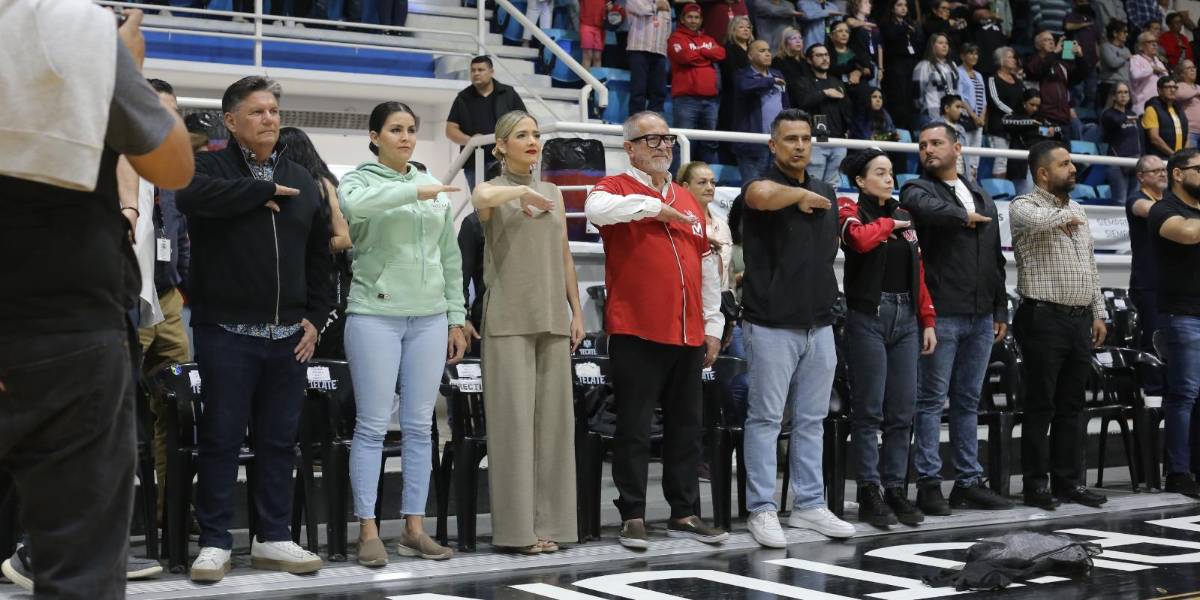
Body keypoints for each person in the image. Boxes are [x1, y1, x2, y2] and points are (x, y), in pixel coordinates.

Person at [0, 5, 191, 596]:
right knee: (79, 566)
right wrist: (128, 68)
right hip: (67, 315)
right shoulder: (80, 31)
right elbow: (174, 164)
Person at [175, 75, 331, 582]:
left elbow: (320, 256)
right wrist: (256, 190)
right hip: (226, 330)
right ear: (231, 120)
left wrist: (316, 317)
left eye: (274, 111)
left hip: (289, 336)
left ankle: (274, 537)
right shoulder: (207, 167)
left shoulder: (302, 179)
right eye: (258, 111)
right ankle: (215, 542)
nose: (270, 118)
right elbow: (190, 197)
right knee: (220, 437)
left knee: (278, 441)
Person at [583, 111, 728, 550]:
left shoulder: (686, 195)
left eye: (667, 139)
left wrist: (713, 325)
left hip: (687, 333)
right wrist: (652, 207)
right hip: (637, 330)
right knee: (634, 427)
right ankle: (632, 515)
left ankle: (684, 512)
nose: (663, 146)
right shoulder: (614, 188)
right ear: (629, 148)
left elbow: (705, 262)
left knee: (687, 427)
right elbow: (595, 212)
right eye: (651, 140)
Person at [337, 102, 467, 565]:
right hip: (375, 313)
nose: (406, 137)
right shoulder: (359, 181)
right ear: (375, 136)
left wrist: (456, 315)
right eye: (395, 130)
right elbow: (353, 208)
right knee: (371, 426)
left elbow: (449, 257)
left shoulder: (430, 186)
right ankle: (368, 528)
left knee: (420, 427)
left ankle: (415, 526)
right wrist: (415, 190)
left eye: (412, 129)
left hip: (430, 317)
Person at [740, 109, 857, 548]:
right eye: (790, 138)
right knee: (766, 418)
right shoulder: (761, 185)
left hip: (820, 324)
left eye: (806, 138)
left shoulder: (826, 189)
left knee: (813, 420)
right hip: (770, 323)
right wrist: (796, 197)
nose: (800, 146)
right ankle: (762, 509)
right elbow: (762, 197)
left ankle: (809, 505)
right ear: (774, 145)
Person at [470, 111, 584, 553]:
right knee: (512, 428)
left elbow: (565, 257)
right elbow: (481, 194)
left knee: (555, 429)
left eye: (536, 134)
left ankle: (551, 524)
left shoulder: (553, 190)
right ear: (501, 146)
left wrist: (575, 311)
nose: (533, 141)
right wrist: (520, 192)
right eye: (522, 135)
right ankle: (517, 532)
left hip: (552, 317)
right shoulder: (495, 191)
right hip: (508, 320)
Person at [900, 123, 1014, 517]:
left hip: (982, 315)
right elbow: (928, 210)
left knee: (968, 400)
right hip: (941, 313)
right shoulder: (918, 188)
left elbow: (997, 259)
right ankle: (929, 483)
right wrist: (963, 216)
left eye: (936, 143)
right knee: (930, 401)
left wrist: (1000, 308)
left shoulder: (981, 192)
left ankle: (968, 481)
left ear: (958, 147)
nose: (928, 149)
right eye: (923, 144)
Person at [836, 149, 937, 529]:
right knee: (870, 411)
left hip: (907, 316)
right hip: (869, 316)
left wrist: (927, 318)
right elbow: (858, 241)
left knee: (901, 412)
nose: (889, 178)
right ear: (861, 181)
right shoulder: (850, 208)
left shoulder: (904, 215)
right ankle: (869, 491)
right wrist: (889, 226)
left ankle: (896, 488)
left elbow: (920, 270)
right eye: (880, 173)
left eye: (891, 172)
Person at [1008, 140, 1109, 511]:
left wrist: (1098, 311)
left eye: (1073, 162)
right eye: (1065, 164)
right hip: (1041, 317)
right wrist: (1066, 216)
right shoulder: (1023, 205)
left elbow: (1091, 269)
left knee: (1072, 406)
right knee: (1040, 406)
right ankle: (1036, 485)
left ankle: (1069, 482)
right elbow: (1037, 221)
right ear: (1043, 173)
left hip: (1078, 319)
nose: (1073, 169)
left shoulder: (1078, 209)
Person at [136, 78, 193, 528]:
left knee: (177, 406)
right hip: (127, 302)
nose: (166, 120)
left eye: (173, 112)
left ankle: (170, 513)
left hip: (168, 299)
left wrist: (181, 283)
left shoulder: (173, 174)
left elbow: (180, 235)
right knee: (110, 410)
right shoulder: (116, 163)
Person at [1148, 148, 1200, 496]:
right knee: (1183, 395)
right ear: (1178, 174)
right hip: (1181, 315)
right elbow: (1185, 233)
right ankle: (1178, 472)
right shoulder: (1163, 208)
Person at [277, 126, 353, 359]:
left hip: (328, 280)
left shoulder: (324, 184)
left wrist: (310, 248)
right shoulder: (281, 184)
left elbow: (346, 238)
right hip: (295, 280)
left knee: (325, 349)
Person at [445, 56, 528, 191]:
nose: (476, 73)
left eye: (481, 70)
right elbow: (450, 129)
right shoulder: (463, 98)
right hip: (475, 162)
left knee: (508, 201)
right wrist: (470, 140)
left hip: (506, 158)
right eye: (473, 70)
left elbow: (524, 121)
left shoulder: (508, 93)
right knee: (481, 204)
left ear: (491, 72)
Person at [669, 3, 727, 164]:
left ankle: (706, 180)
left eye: (697, 17)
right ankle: (678, 182)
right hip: (686, 99)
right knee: (684, 142)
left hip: (711, 100)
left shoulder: (707, 39)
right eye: (690, 17)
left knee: (710, 143)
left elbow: (721, 53)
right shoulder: (676, 37)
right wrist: (707, 54)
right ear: (682, 19)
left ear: (701, 20)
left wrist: (699, 51)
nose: (693, 20)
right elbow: (684, 57)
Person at [794, 44, 852, 186]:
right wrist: (824, 93)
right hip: (817, 138)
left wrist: (846, 129)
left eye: (826, 55)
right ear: (809, 60)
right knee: (813, 182)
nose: (824, 58)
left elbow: (846, 109)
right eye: (819, 55)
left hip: (839, 139)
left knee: (834, 185)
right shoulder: (803, 81)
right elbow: (803, 102)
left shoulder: (837, 82)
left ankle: (829, 209)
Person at [1127, 154, 1168, 355]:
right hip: (1147, 282)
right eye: (1156, 170)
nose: (1162, 173)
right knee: (1153, 340)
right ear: (1141, 177)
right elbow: (1149, 210)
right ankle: (1153, 388)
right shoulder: (1136, 199)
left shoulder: (1170, 200)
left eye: (1163, 169)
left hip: (1171, 282)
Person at [733, 40, 789, 183]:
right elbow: (745, 86)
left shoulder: (778, 74)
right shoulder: (742, 75)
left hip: (777, 144)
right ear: (750, 56)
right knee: (753, 188)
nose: (767, 54)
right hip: (753, 145)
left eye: (769, 50)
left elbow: (785, 104)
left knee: (774, 190)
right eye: (762, 51)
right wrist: (770, 82)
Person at [1003, 89, 1063, 194]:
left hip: (1039, 163)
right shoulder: (1014, 116)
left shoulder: (1041, 119)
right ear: (1023, 103)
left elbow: (1058, 128)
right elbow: (1006, 121)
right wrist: (1032, 122)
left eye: (1037, 106)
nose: (1035, 108)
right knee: (1024, 197)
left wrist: (1052, 130)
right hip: (1022, 165)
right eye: (1032, 104)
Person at [1027, 30, 1082, 139]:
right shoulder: (1033, 61)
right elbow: (1039, 71)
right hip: (1044, 119)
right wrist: (1055, 53)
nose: (1051, 42)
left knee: (1065, 152)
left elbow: (1078, 78)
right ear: (1038, 45)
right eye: (1046, 40)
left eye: (1052, 40)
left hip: (1063, 120)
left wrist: (1080, 58)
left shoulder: (1060, 64)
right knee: (1045, 149)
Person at [880, 0, 924, 129]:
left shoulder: (911, 25)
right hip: (896, 65)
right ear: (892, 8)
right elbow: (889, 38)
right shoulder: (887, 25)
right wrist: (904, 29)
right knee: (899, 98)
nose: (903, 8)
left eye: (905, 5)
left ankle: (910, 130)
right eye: (899, 5)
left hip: (912, 64)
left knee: (911, 99)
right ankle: (899, 129)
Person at [627, 0, 673, 114]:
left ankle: (654, 124)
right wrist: (657, 5)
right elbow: (641, 9)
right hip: (638, 49)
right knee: (638, 91)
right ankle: (636, 125)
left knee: (659, 91)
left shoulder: (665, 2)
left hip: (659, 51)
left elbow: (668, 29)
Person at [1102, 82, 1145, 203]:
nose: (1123, 95)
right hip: (1116, 162)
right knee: (1120, 201)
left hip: (1135, 161)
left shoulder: (1132, 114)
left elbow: (1140, 138)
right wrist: (1128, 118)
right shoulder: (1108, 114)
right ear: (1113, 96)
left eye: (1126, 92)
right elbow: (1115, 122)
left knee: (1134, 201)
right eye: (1120, 92)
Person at [986, 47, 1025, 179]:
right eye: (1010, 57)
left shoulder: (1018, 81)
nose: (1014, 60)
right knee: (1000, 161)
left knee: (1013, 162)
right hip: (999, 126)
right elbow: (995, 100)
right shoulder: (993, 79)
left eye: (1014, 57)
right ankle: (997, 195)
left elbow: (1024, 101)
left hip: (1016, 127)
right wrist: (1012, 113)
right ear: (1001, 60)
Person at [718, 16, 755, 151]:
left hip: (753, 99)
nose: (746, 29)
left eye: (748, 27)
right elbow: (733, 75)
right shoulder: (728, 49)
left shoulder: (755, 49)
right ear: (733, 30)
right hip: (733, 97)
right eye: (741, 27)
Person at [913, 33, 960, 127]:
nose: (944, 46)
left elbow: (957, 90)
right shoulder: (923, 66)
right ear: (932, 46)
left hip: (951, 117)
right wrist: (925, 107)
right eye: (940, 43)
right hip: (932, 114)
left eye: (946, 43)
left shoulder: (952, 65)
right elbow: (917, 94)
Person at [1064, 0, 1103, 108]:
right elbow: (1068, 26)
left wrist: (1099, 60)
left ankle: (1088, 119)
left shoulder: (1093, 21)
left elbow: (1097, 41)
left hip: (1091, 61)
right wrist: (1085, 24)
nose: (1084, 4)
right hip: (1074, 61)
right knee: (1076, 92)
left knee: (1091, 93)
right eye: (1081, 2)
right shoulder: (1071, 15)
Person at [957, 44, 988, 176]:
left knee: (976, 155)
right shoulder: (958, 72)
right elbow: (961, 97)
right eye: (970, 53)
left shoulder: (979, 75)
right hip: (966, 118)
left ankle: (973, 180)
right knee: (964, 152)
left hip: (979, 121)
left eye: (976, 54)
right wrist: (974, 116)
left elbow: (984, 99)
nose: (974, 56)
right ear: (962, 56)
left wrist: (981, 117)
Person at [1144, 76, 1189, 157]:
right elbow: (1154, 139)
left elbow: (1187, 133)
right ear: (1159, 90)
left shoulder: (1178, 108)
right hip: (1160, 159)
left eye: (1175, 87)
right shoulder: (1152, 109)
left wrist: (1184, 154)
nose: (1172, 90)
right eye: (1168, 87)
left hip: (1178, 157)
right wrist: (1173, 155)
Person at [1132, 32, 1171, 115]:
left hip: (1161, 106)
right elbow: (1135, 75)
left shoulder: (1158, 61)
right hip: (1143, 107)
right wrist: (1151, 69)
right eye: (1150, 42)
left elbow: (1166, 78)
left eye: (1156, 42)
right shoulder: (1136, 59)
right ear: (1141, 46)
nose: (1154, 44)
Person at [1099, 20, 1133, 109]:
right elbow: (1112, 63)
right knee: (1108, 112)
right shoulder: (1105, 47)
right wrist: (1125, 57)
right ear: (1115, 33)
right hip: (1110, 85)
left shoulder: (1126, 49)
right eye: (1124, 32)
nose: (1127, 34)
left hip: (1125, 85)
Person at [1175, 60, 1200, 146]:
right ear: (1182, 73)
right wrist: (1197, 93)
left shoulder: (1198, 87)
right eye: (1189, 68)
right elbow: (1180, 95)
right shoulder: (1179, 86)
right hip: (1190, 131)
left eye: (1194, 67)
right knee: (1190, 158)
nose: (1193, 70)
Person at [581, 0, 609, 68]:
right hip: (586, 24)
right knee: (587, 55)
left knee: (597, 57)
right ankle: (585, 78)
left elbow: (609, 5)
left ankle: (595, 78)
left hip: (600, 27)